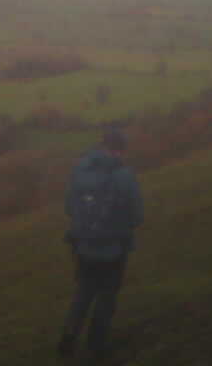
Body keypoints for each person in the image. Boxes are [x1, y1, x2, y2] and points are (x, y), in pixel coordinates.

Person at [59, 127, 144, 360]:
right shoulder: (125, 175)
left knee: (84, 291)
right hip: (114, 249)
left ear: (102, 146)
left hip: (83, 246)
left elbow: (68, 207)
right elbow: (137, 216)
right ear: (121, 150)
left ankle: (68, 337)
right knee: (107, 296)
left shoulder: (80, 170)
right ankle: (96, 345)